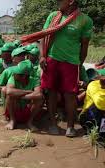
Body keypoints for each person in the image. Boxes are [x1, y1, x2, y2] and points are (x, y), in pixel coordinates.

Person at [31, 0, 93, 137]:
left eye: (61, 0)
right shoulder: (53, 16)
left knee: (70, 95)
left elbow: (84, 46)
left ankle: (70, 127)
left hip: (71, 62)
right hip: (51, 60)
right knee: (51, 92)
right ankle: (53, 124)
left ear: (71, 2)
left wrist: (79, 64)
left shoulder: (85, 20)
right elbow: (43, 36)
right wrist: (42, 56)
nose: (58, 2)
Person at [5, 60, 43, 131]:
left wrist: (19, 96)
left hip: (28, 109)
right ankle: (12, 120)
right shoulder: (13, 78)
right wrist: (27, 92)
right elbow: (9, 91)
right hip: (16, 108)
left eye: (16, 73)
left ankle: (29, 122)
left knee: (39, 99)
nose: (13, 74)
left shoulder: (35, 80)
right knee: (9, 96)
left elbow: (39, 94)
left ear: (24, 76)